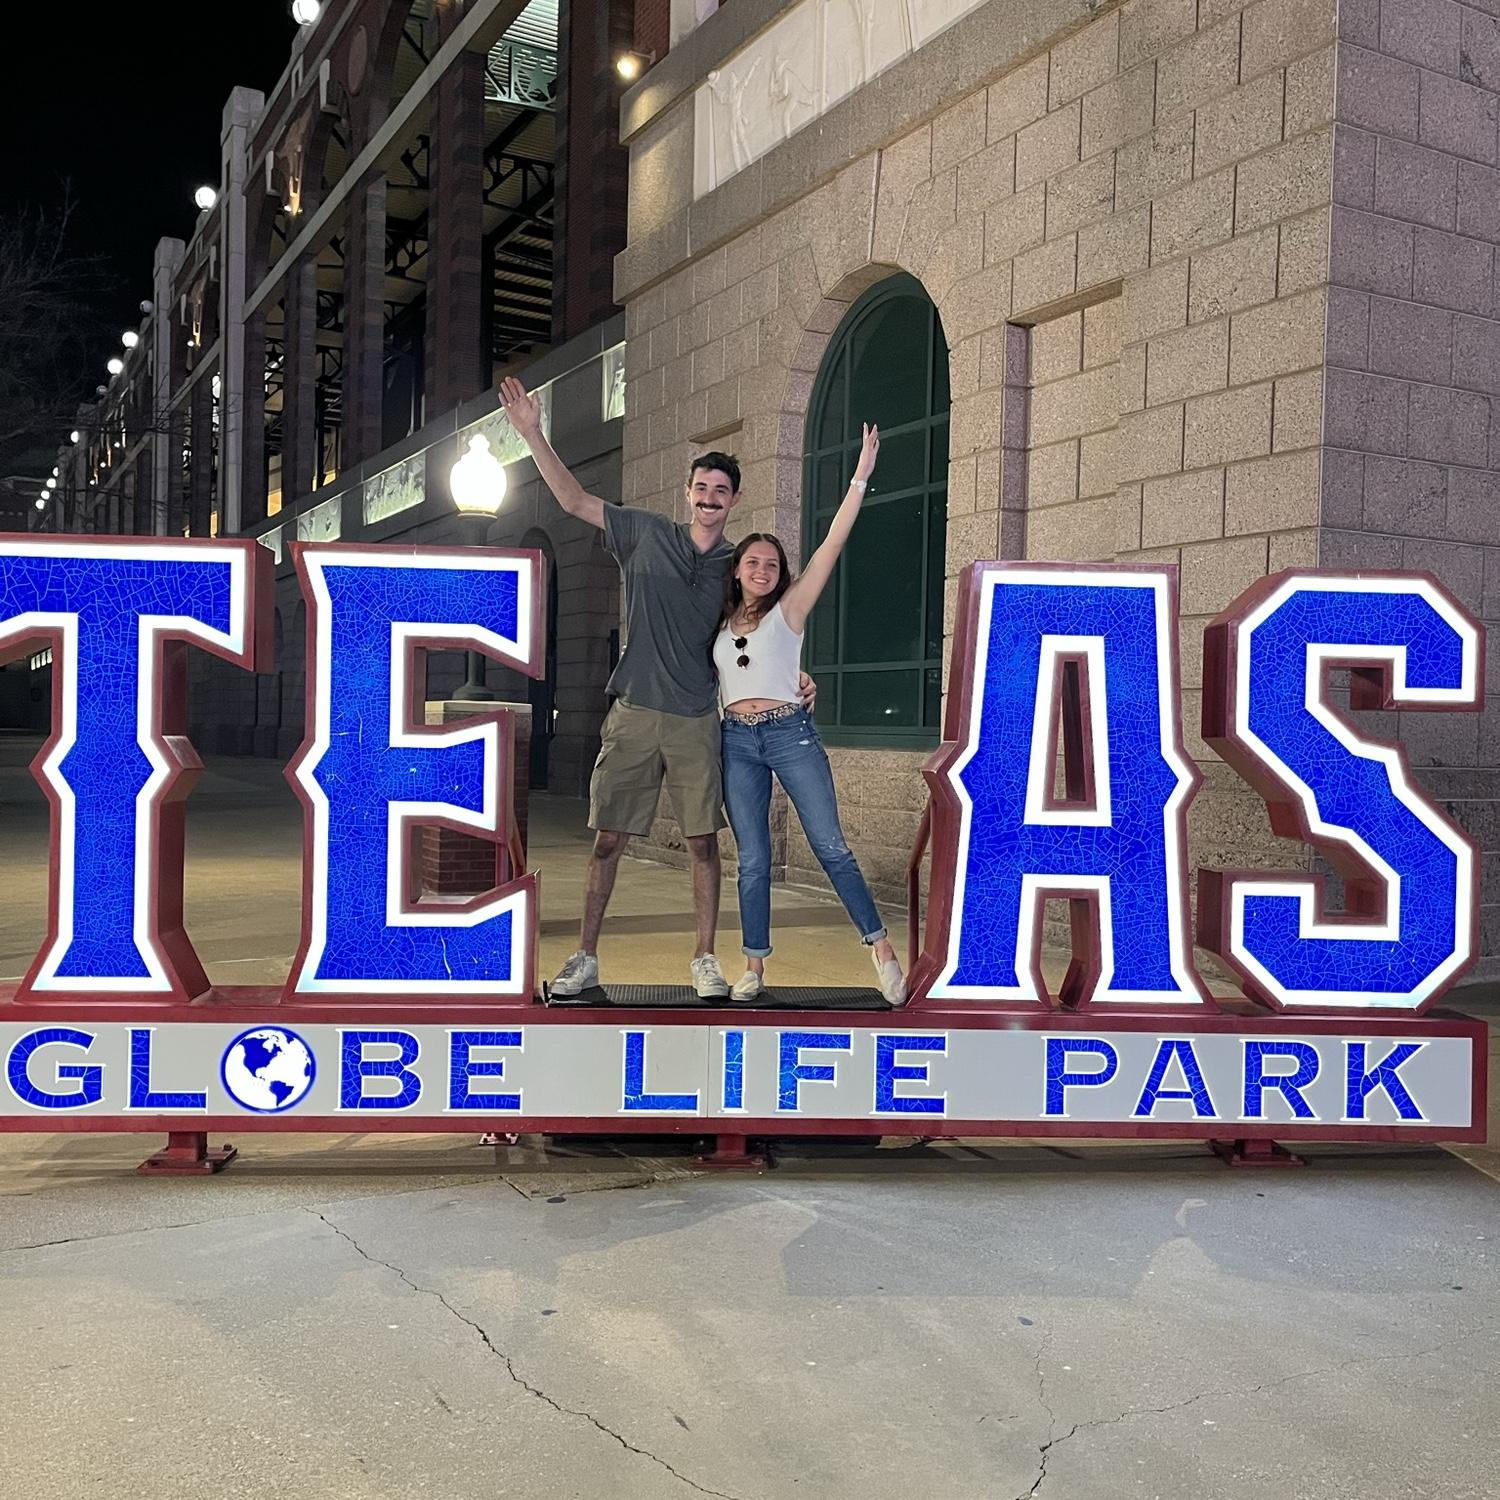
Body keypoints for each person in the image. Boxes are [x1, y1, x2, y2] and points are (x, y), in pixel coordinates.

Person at [497, 375, 814, 999]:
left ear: (734, 500)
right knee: (609, 840)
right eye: (701, 488)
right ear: (687, 492)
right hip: (635, 711)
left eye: (720, 492)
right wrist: (533, 433)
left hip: (698, 716)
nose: (709, 498)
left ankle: (704, 958)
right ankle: (585, 955)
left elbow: (770, 628)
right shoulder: (643, 532)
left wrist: (798, 676)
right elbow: (574, 501)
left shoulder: (738, 564)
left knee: (702, 843)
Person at [715, 422, 906, 1005]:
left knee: (829, 844)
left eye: (772, 564)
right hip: (735, 741)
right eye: (753, 562)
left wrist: (860, 477)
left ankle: (882, 952)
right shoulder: (718, 625)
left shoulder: (790, 611)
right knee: (752, 859)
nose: (763, 570)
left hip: (788, 734)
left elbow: (830, 546)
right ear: (738, 569)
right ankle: (754, 967)